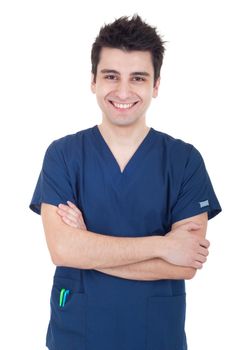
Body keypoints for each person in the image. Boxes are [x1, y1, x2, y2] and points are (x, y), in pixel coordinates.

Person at [29, 14, 222, 350]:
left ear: (156, 85)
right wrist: (163, 246)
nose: (122, 90)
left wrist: (88, 246)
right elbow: (62, 249)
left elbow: (186, 265)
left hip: (155, 336)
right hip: (79, 335)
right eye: (110, 76)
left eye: (137, 78)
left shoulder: (184, 161)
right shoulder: (63, 155)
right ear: (93, 81)